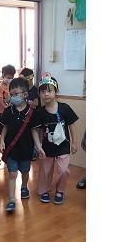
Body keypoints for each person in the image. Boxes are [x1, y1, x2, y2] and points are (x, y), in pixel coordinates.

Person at [31, 73, 79, 205]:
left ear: (56, 91)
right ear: (39, 94)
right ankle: (45, 191)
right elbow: (35, 129)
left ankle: (60, 190)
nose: (46, 94)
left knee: (63, 170)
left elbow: (72, 125)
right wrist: (39, 147)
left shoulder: (64, 108)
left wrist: (74, 143)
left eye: (50, 90)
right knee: (45, 171)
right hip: (47, 148)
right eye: (43, 91)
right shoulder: (40, 112)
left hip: (64, 146)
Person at [0, 77, 35, 213]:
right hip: (12, 148)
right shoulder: (8, 111)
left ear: (25, 94)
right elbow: (5, 127)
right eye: (11, 94)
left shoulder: (32, 111)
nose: (13, 97)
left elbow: (34, 130)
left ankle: (24, 187)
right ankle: (12, 200)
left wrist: (38, 146)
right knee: (12, 173)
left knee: (25, 171)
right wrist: (1, 141)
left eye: (16, 94)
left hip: (26, 147)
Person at [19, 67, 40, 160]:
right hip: (26, 116)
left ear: (30, 79)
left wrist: (26, 102)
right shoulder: (25, 90)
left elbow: (36, 103)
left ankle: (34, 153)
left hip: (34, 116)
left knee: (34, 135)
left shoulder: (34, 90)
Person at [0, 64, 15, 134]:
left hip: (12, 110)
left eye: (11, 78)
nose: (10, 79)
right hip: (3, 111)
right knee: (4, 128)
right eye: (8, 77)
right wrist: (8, 109)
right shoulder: (0, 87)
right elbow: (1, 101)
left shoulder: (13, 85)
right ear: (3, 76)